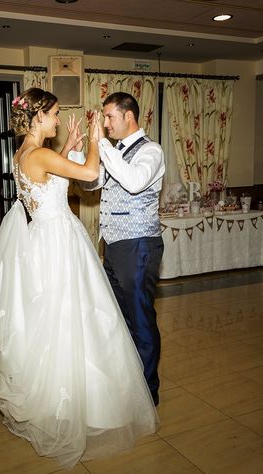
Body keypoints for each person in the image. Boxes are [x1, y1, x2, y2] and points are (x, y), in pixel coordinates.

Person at [0, 88, 158, 468]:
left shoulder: (24, 154)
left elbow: (48, 180)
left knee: (52, 318)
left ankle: (54, 398)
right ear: (39, 116)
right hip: (60, 244)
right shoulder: (41, 154)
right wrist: (95, 141)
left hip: (44, 241)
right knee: (71, 318)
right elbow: (91, 173)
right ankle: (71, 402)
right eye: (56, 114)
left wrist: (68, 150)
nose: (60, 121)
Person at [83, 92, 165, 406]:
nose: (105, 124)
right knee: (121, 318)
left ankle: (147, 391)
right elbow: (94, 184)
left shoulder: (151, 151)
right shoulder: (115, 150)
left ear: (127, 115)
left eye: (109, 117)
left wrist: (101, 144)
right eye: (104, 119)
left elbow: (133, 182)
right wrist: (83, 157)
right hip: (115, 247)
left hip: (139, 246)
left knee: (141, 318)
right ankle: (129, 380)